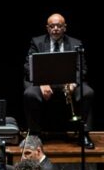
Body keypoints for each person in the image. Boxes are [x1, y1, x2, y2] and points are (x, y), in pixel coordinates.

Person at [23, 13, 95, 149]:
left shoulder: (76, 43)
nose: (55, 28)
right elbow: (29, 66)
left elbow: (82, 68)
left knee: (87, 93)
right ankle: (34, 134)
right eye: (52, 26)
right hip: (43, 83)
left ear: (64, 27)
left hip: (68, 82)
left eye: (59, 26)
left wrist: (73, 82)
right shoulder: (37, 42)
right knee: (30, 94)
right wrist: (41, 82)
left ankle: (83, 133)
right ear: (47, 28)